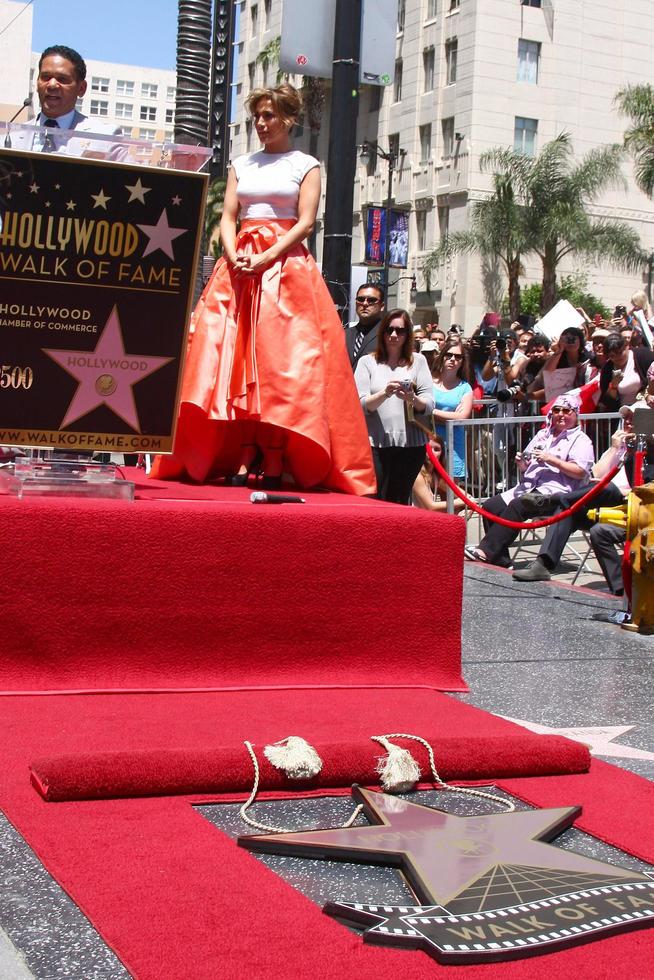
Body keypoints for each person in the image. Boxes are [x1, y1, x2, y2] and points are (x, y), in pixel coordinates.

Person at [152, 83, 375, 494]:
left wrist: (266, 256)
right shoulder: (242, 163)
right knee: (224, 360)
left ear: (288, 119)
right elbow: (227, 216)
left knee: (281, 366)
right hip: (238, 269)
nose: (261, 122)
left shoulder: (305, 164)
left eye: (269, 115)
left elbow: (306, 222)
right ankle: (234, 450)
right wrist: (234, 252)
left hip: (285, 271)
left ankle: (276, 454)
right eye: (257, 115)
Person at [464, 392, 595, 568]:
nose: (561, 415)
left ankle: (486, 551)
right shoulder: (543, 434)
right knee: (490, 506)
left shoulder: (581, 440)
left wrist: (552, 459)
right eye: (557, 410)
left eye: (566, 411)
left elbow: (580, 472)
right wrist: (522, 463)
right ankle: (500, 560)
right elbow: (528, 464)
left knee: (519, 505)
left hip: (557, 493)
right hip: (528, 487)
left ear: (575, 414)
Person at [512, 407, 637, 582]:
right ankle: (543, 564)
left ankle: (553, 499)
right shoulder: (621, 445)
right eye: (626, 417)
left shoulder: (647, 450)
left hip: (629, 503)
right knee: (569, 508)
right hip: (596, 502)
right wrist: (614, 448)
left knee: (603, 490)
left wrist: (623, 489)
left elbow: (645, 486)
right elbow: (596, 474)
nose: (629, 421)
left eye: (634, 418)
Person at [355, 308, 434, 504]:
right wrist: (385, 393)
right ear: (382, 331)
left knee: (398, 499)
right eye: (389, 329)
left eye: (400, 330)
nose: (393, 335)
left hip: (410, 444)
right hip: (375, 444)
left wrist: (411, 399)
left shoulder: (419, 361)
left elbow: (429, 404)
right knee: (374, 499)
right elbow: (360, 403)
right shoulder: (367, 362)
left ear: (408, 334)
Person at [7, 45, 120, 153]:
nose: (51, 85)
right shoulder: (9, 137)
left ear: (81, 88)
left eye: (62, 79)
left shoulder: (105, 139)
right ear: (37, 83)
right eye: (45, 77)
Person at [431, 337, 474, 482]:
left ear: (462, 361)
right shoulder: (428, 382)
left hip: (453, 445)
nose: (452, 359)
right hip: (428, 442)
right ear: (442, 357)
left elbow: (462, 417)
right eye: (448, 355)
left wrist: (431, 412)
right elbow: (416, 409)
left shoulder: (465, 387)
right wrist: (450, 415)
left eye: (457, 357)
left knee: (450, 493)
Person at [598, 333, 654, 410]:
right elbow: (608, 403)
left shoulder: (644, 356)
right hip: (624, 414)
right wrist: (613, 386)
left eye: (619, 352)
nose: (617, 357)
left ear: (626, 346)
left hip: (647, 409)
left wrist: (648, 395)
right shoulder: (607, 369)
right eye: (612, 356)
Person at [412, 433, 466, 513]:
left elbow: (462, 494)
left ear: (442, 453)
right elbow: (431, 506)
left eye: (436, 449)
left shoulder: (435, 475)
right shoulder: (417, 475)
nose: (431, 453)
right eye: (428, 449)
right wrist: (460, 502)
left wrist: (468, 500)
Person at [344, 284, 385, 369]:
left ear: (382, 306)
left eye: (371, 300)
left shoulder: (388, 335)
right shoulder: (344, 334)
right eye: (360, 299)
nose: (365, 303)